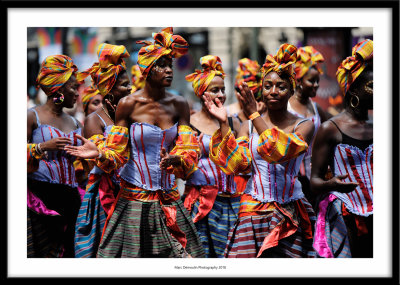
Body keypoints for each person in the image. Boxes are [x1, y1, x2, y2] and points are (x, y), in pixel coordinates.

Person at [65, 27, 205, 258]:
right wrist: (99, 154)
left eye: (170, 64)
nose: (169, 70)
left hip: (169, 199)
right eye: (161, 65)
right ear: (147, 69)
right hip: (133, 202)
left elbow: (189, 148)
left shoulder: (180, 104)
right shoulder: (128, 105)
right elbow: (118, 154)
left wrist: (177, 158)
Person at [203, 43, 317, 258]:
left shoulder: (304, 125)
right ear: (261, 90)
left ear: (292, 90)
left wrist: (254, 116)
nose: (273, 91)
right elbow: (237, 165)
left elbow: (279, 152)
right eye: (268, 86)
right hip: (252, 210)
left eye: (281, 86)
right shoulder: (247, 127)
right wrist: (224, 124)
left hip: (291, 208)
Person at [310, 39, 373, 258]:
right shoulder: (330, 128)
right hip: (346, 216)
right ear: (353, 91)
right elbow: (314, 181)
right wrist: (331, 184)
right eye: (373, 86)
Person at [72, 43, 132, 258]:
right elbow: (106, 164)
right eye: (124, 86)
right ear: (109, 91)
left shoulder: (134, 114)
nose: (130, 89)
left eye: (130, 84)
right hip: (109, 198)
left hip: (136, 195)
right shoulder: (93, 121)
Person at [183, 55, 242, 258]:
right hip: (199, 201)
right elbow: (181, 168)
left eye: (223, 89)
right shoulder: (188, 122)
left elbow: (239, 163)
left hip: (231, 201)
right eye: (214, 90)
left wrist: (224, 123)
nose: (221, 95)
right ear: (201, 92)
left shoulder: (234, 122)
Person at [27, 54, 84, 257]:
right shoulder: (32, 116)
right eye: (73, 88)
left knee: (71, 253)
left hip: (71, 197)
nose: (77, 93)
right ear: (58, 89)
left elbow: (82, 164)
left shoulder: (75, 123)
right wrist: (42, 146)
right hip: (41, 199)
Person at [287, 46, 329, 206]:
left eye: (318, 80)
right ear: (298, 80)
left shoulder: (316, 107)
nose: (316, 85)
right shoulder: (286, 107)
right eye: (311, 80)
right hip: (292, 174)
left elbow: (329, 133)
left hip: (316, 173)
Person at [226, 58, 263, 123]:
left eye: (252, 94)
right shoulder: (226, 113)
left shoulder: (265, 111)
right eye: (240, 91)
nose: (246, 98)